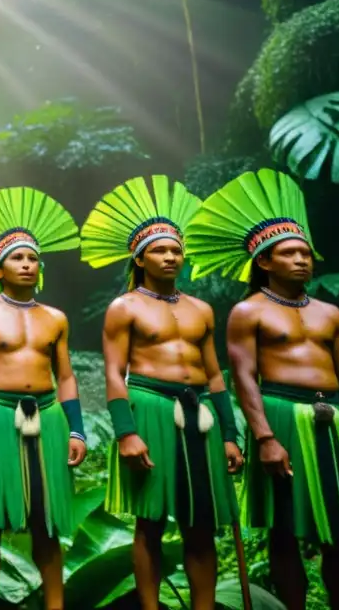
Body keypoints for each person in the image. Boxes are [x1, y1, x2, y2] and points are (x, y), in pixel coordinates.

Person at [186, 168, 339, 610]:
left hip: (334, 420)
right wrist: (265, 438)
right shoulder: (248, 312)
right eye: (290, 253)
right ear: (264, 262)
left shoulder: (331, 314)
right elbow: (242, 377)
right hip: (279, 417)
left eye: (306, 253)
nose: (302, 260)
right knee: (284, 529)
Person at [81, 175, 241, 610]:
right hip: (148, 406)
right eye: (160, 250)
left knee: (201, 523)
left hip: (200, 413)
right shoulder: (124, 307)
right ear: (140, 257)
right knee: (149, 521)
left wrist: (231, 434)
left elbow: (215, 374)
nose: (170, 256)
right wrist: (126, 432)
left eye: (175, 249)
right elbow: (114, 373)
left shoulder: (201, 309)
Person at [0, 187, 87, 610]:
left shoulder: (56, 319)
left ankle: (55, 604)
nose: (27, 265)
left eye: (32, 258)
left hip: (48, 417)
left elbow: (65, 378)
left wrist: (78, 431)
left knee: (46, 522)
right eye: (17, 258)